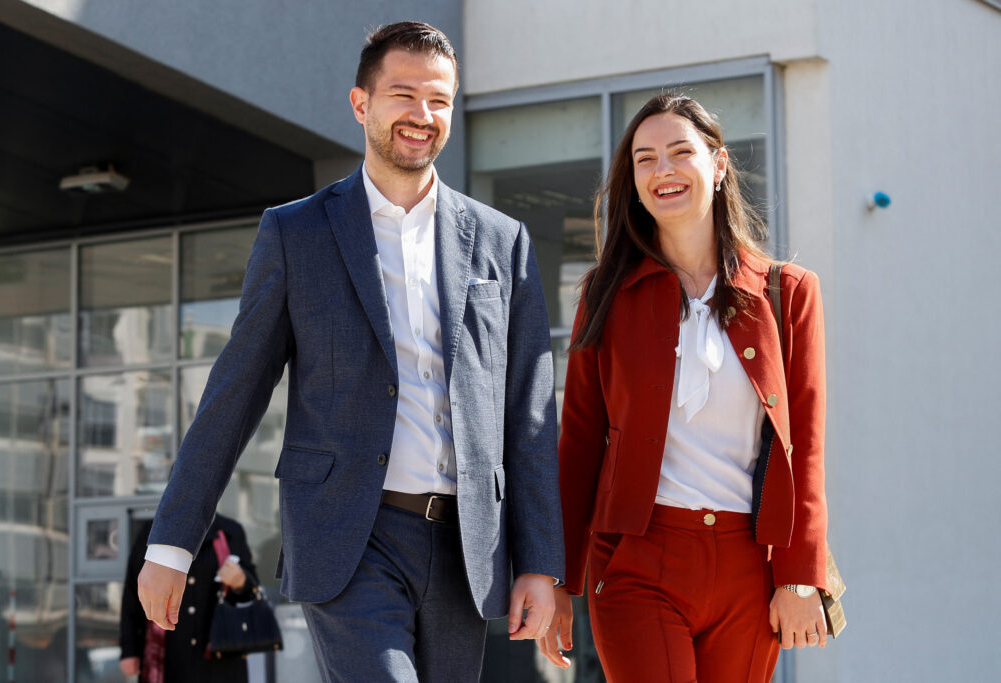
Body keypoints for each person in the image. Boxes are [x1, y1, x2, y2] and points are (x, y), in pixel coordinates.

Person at [136, 21, 563, 682]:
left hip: (464, 545)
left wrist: (539, 561)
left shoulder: (502, 241)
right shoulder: (296, 232)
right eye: (403, 94)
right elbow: (236, 391)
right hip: (351, 538)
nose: (423, 115)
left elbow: (528, 414)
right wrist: (171, 540)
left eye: (440, 100)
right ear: (361, 103)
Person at [536, 93, 831, 682]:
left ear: (718, 165)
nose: (662, 171)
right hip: (638, 563)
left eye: (679, 152)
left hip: (749, 567)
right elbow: (579, 446)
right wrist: (559, 581)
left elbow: (807, 446)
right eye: (644, 160)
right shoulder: (606, 295)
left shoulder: (788, 292)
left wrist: (802, 573)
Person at [120, 514, 257, 682]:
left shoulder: (230, 530)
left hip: (222, 654)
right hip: (170, 654)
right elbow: (133, 594)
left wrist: (240, 581)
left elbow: (252, 591)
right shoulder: (153, 531)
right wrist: (129, 650)